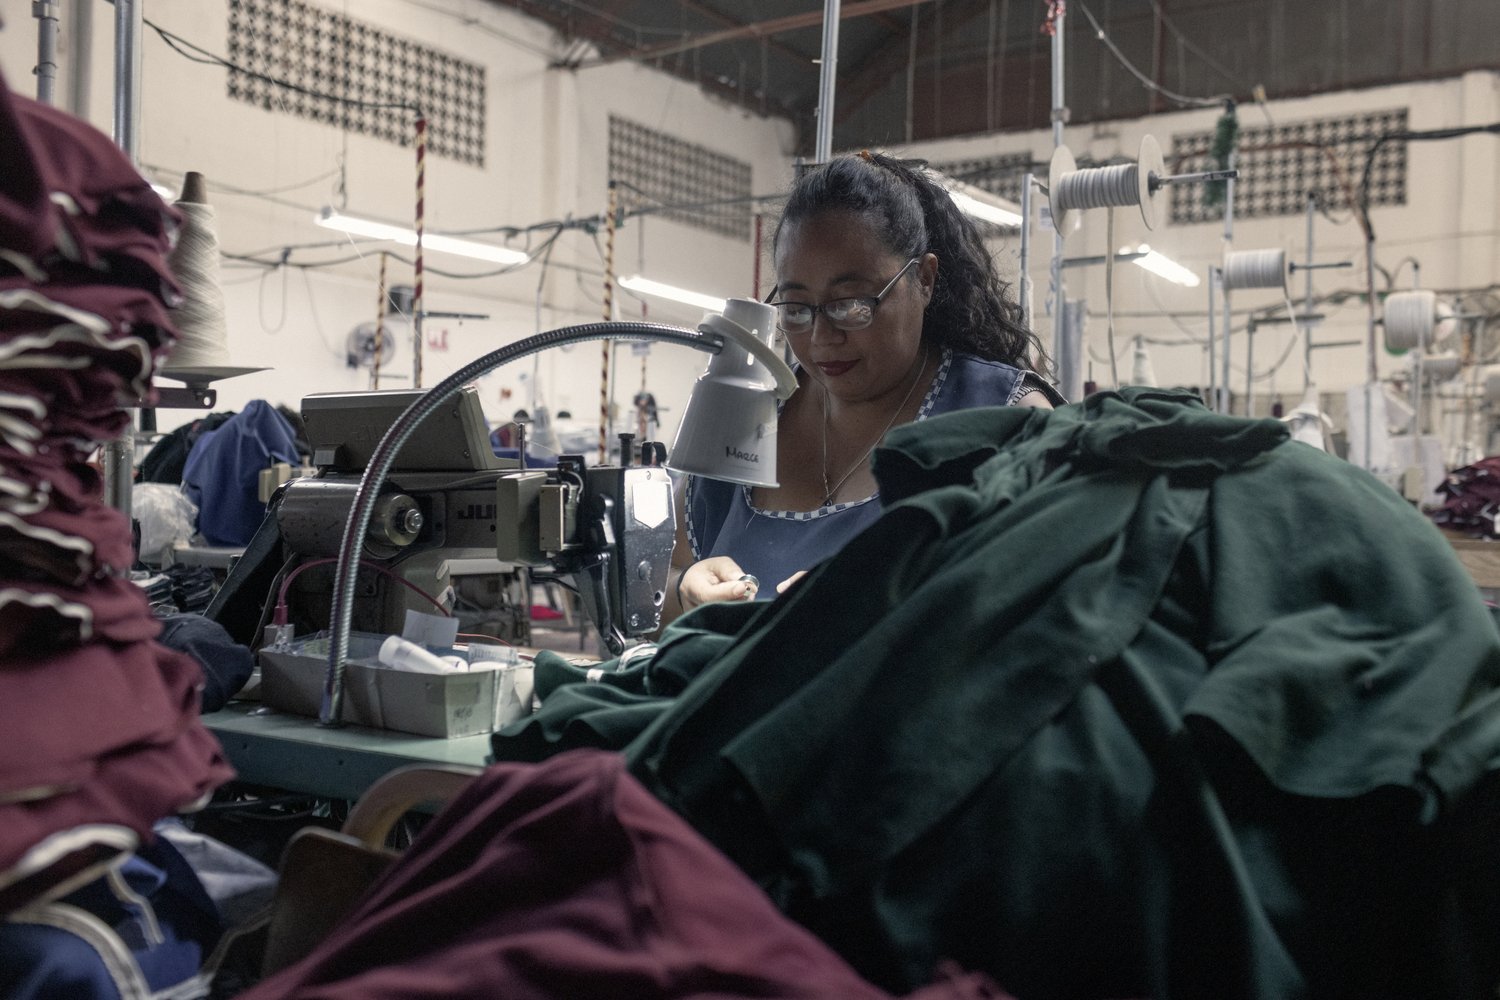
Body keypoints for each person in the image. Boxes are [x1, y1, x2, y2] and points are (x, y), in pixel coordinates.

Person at [666, 150, 1061, 622]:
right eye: (797, 308)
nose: (821, 338)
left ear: (924, 279)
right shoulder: (744, 421)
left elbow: (1061, 613)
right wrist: (686, 594)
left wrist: (881, 604)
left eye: (852, 304)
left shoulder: (1008, 421)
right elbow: (662, 583)